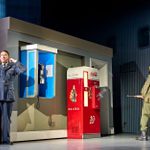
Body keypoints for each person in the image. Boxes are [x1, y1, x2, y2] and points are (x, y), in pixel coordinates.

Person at [0, 50, 26, 144]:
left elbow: (23, 70)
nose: (3, 56)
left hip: (8, 96)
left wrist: (16, 62)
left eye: (5, 55)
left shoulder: (13, 67)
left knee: (6, 119)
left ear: (8, 57)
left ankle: (6, 139)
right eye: (1, 55)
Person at [136, 66, 150, 141]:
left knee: (145, 116)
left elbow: (145, 88)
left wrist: (142, 95)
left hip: (148, 101)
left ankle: (143, 135)